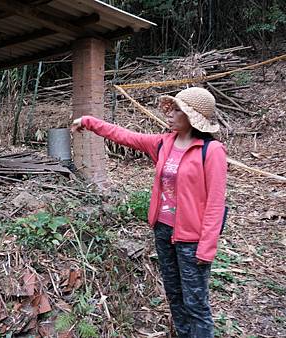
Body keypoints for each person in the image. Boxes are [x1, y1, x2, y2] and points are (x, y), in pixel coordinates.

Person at [71, 87, 227, 338]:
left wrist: (206, 247)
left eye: (178, 110)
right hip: (163, 230)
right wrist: (89, 121)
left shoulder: (211, 151)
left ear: (191, 117)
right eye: (172, 108)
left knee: (196, 304)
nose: (170, 114)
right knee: (175, 296)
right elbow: (123, 135)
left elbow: (215, 203)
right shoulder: (163, 143)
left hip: (191, 239)